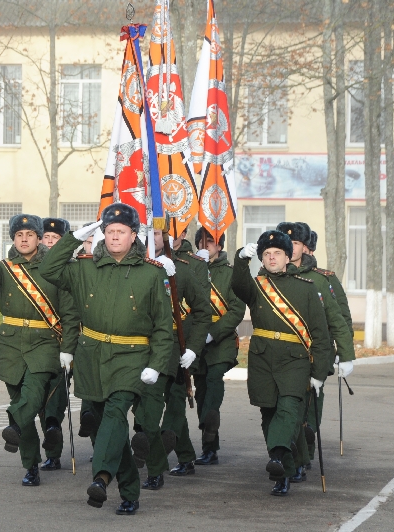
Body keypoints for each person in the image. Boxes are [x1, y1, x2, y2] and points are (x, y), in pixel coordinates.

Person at [40, 203, 174, 515]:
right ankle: (130, 493)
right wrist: (72, 239)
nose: (114, 237)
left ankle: (100, 478)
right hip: (92, 357)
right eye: (109, 231)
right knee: (103, 427)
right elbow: (48, 270)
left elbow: (163, 329)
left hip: (132, 358)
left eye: (121, 232)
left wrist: (156, 365)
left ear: (133, 236)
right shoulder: (84, 268)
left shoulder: (151, 275)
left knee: (115, 415)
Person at [0, 214, 79, 487]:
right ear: (13, 239)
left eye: (29, 234)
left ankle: (15, 426)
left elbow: (69, 313)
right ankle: (30, 465)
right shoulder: (6, 269)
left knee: (31, 399)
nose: (23, 239)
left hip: (44, 343)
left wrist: (68, 349)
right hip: (11, 345)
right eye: (19, 235)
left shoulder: (54, 268)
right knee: (21, 404)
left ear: (38, 238)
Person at [231, 230, 330, 496]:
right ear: (261, 259)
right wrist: (241, 260)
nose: (272, 258)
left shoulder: (306, 288)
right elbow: (238, 286)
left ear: (288, 257)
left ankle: (276, 456)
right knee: (269, 413)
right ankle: (283, 470)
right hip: (263, 357)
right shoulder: (257, 286)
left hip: (295, 359)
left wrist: (320, 372)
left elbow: (320, 334)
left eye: (277, 254)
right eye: (267, 254)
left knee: (288, 409)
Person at [132, 228, 210, 491]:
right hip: (134, 348)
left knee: (164, 409)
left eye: (156, 233)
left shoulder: (182, 270)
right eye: (145, 232)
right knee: (143, 413)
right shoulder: (130, 266)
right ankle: (183, 455)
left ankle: (156, 468)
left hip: (172, 349)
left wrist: (193, 348)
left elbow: (201, 311)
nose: (151, 239)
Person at [277, 222, 355, 480]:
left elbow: (340, 318)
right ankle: (293, 454)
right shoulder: (273, 277)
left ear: (305, 248)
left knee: (308, 410)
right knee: (288, 409)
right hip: (283, 357)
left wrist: (343, 355)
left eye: (296, 243)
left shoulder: (322, 279)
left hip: (314, 354)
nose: (291, 247)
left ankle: (303, 454)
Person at [188, 228, 246, 467]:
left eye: (210, 241)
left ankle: (209, 422)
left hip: (219, 341)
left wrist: (212, 334)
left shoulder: (231, 275)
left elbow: (236, 310)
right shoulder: (190, 271)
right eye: (201, 241)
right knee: (200, 389)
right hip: (194, 341)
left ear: (219, 246)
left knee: (213, 380)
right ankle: (210, 447)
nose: (206, 245)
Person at [38, 217, 72, 472]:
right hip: (37, 345)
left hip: (61, 341)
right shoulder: (29, 268)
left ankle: (54, 441)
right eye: (46, 238)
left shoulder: (68, 268)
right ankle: (52, 452)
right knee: (40, 401)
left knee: (56, 399)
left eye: (55, 239)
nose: (49, 242)